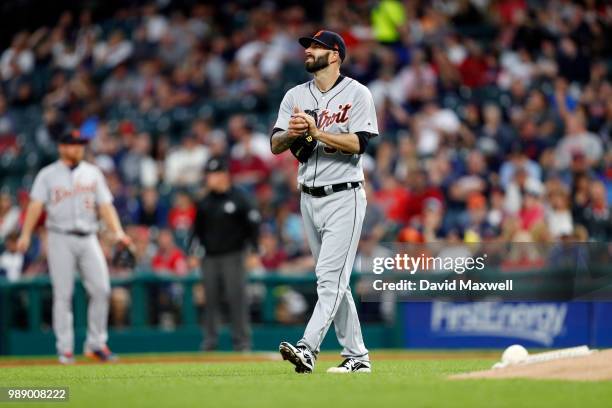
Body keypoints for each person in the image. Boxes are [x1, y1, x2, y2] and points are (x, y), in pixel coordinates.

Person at [270, 30, 378, 374]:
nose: (308, 51)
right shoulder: (294, 96)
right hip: (308, 197)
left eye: (315, 47)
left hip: (345, 194)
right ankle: (357, 356)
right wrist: (295, 132)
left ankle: (308, 348)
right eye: (307, 46)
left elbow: (360, 143)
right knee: (333, 279)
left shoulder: (358, 93)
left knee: (330, 280)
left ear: (335, 55)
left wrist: (317, 133)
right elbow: (275, 145)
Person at [16, 129, 132, 364]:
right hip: (59, 236)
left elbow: (106, 206)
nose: (78, 148)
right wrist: (26, 234)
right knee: (63, 294)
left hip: (89, 235)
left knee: (102, 289)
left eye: (80, 144)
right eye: (73, 144)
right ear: (62, 147)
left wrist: (117, 231)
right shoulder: (47, 175)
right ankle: (65, 349)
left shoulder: (93, 173)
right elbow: (35, 206)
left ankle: (96, 344)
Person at [191, 156, 260, 351]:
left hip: (234, 255)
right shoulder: (204, 201)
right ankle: (210, 340)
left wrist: (253, 250)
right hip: (209, 257)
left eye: (214, 174)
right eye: (209, 174)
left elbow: (253, 224)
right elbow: (196, 230)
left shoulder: (239, 197)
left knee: (236, 298)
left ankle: (242, 341)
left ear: (224, 175)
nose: (210, 179)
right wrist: (194, 252)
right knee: (210, 300)